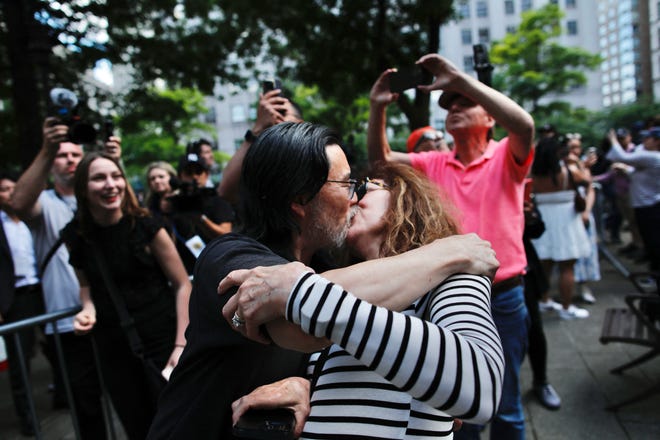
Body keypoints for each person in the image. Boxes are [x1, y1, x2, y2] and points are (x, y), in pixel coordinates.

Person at [147, 122, 499, 439]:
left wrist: (305, 383)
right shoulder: (234, 258)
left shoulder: (328, 266)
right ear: (300, 200)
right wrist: (446, 252)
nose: (354, 196)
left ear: (405, 203)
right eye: (348, 184)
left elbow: (471, 387)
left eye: (365, 187)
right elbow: (305, 329)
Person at [223, 161, 505, 439]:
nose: (353, 199)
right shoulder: (342, 287)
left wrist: (299, 290)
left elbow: (482, 386)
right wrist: (306, 386)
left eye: (365, 188)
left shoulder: (453, 273)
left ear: (404, 197)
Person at [367, 54, 534, 439]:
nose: (455, 107)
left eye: (464, 102)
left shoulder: (507, 156)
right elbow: (381, 162)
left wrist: (460, 79)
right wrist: (377, 108)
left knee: (506, 406)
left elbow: (524, 124)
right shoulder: (434, 162)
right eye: (450, 104)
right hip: (450, 295)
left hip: (504, 296)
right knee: (460, 406)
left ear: (490, 117)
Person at [61, 152, 192, 439]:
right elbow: (87, 287)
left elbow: (182, 284)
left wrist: (181, 345)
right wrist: (87, 309)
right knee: (138, 427)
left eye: (116, 176)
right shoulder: (76, 236)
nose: (111, 184)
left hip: (164, 344)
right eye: (99, 178)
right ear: (83, 187)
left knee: (177, 424)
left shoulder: (147, 227)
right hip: (114, 349)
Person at [11, 118, 121, 439]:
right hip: (69, 325)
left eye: (76, 154)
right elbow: (17, 202)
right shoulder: (43, 203)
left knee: (127, 396)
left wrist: (116, 163)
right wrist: (47, 149)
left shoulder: (102, 195)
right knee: (86, 408)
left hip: (113, 318)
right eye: (62, 155)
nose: (70, 160)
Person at [0, 170, 46, 436]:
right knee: (20, 361)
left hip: (41, 292)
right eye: (4, 189)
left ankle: (62, 397)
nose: (9, 194)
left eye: (13, 188)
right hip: (14, 298)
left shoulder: (33, 221)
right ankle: (28, 418)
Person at [531, 137, 591, 319]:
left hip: (543, 220)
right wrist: (579, 163)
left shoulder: (533, 173)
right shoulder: (567, 171)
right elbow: (587, 181)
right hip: (566, 221)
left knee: (545, 266)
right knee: (567, 267)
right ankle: (566, 307)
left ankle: (545, 300)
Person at [606, 127, 660, 289]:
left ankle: (656, 279)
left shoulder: (652, 157)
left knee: (655, 245)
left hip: (651, 208)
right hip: (647, 206)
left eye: (649, 138)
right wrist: (627, 171)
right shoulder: (651, 158)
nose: (645, 141)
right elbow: (639, 177)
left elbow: (621, 156)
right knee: (651, 245)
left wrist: (613, 139)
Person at [521, 193, 561, 410]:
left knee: (534, 329)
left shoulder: (510, 181)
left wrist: (531, 218)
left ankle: (541, 381)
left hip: (521, 271)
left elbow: (537, 230)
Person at [169, 152, 234, 274]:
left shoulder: (217, 200)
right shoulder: (175, 202)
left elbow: (226, 234)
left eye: (198, 172)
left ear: (207, 174)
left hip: (216, 267)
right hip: (187, 271)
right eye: (188, 173)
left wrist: (201, 219)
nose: (194, 177)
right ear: (179, 176)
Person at [566, 134, 601, 304]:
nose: (575, 150)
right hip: (569, 215)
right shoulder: (563, 167)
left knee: (588, 251)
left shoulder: (581, 166)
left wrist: (586, 210)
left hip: (583, 213)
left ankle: (585, 286)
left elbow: (590, 189)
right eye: (571, 147)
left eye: (577, 147)